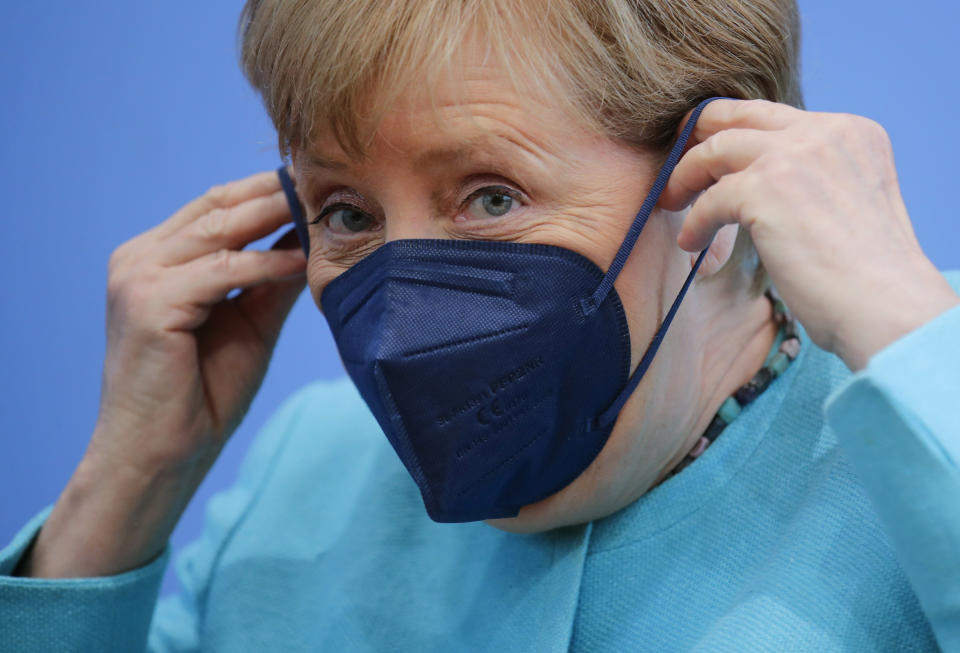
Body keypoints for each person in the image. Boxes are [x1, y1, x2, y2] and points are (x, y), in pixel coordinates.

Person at [2, 0, 958, 650]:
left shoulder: (914, 411)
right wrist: (121, 494)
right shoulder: (303, 476)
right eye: (346, 212)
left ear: (716, 179)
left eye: (491, 197)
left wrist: (921, 353)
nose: (402, 320)